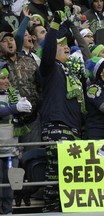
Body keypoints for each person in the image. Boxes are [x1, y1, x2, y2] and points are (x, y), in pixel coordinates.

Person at [39, 11, 85, 212]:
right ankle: (50, 210)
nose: (66, 46)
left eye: (67, 43)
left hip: (74, 129)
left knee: (72, 174)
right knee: (56, 172)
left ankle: (67, 210)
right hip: (56, 125)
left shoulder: (72, 72)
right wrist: (55, 24)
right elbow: (48, 48)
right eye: (61, 44)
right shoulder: (49, 68)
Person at [0, 62, 32, 214]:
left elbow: (22, 115)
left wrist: (26, 108)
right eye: (2, 77)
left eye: (7, 77)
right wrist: (15, 108)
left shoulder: (13, 94)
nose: (6, 81)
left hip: (11, 149)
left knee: (9, 185)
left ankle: (7, 212)